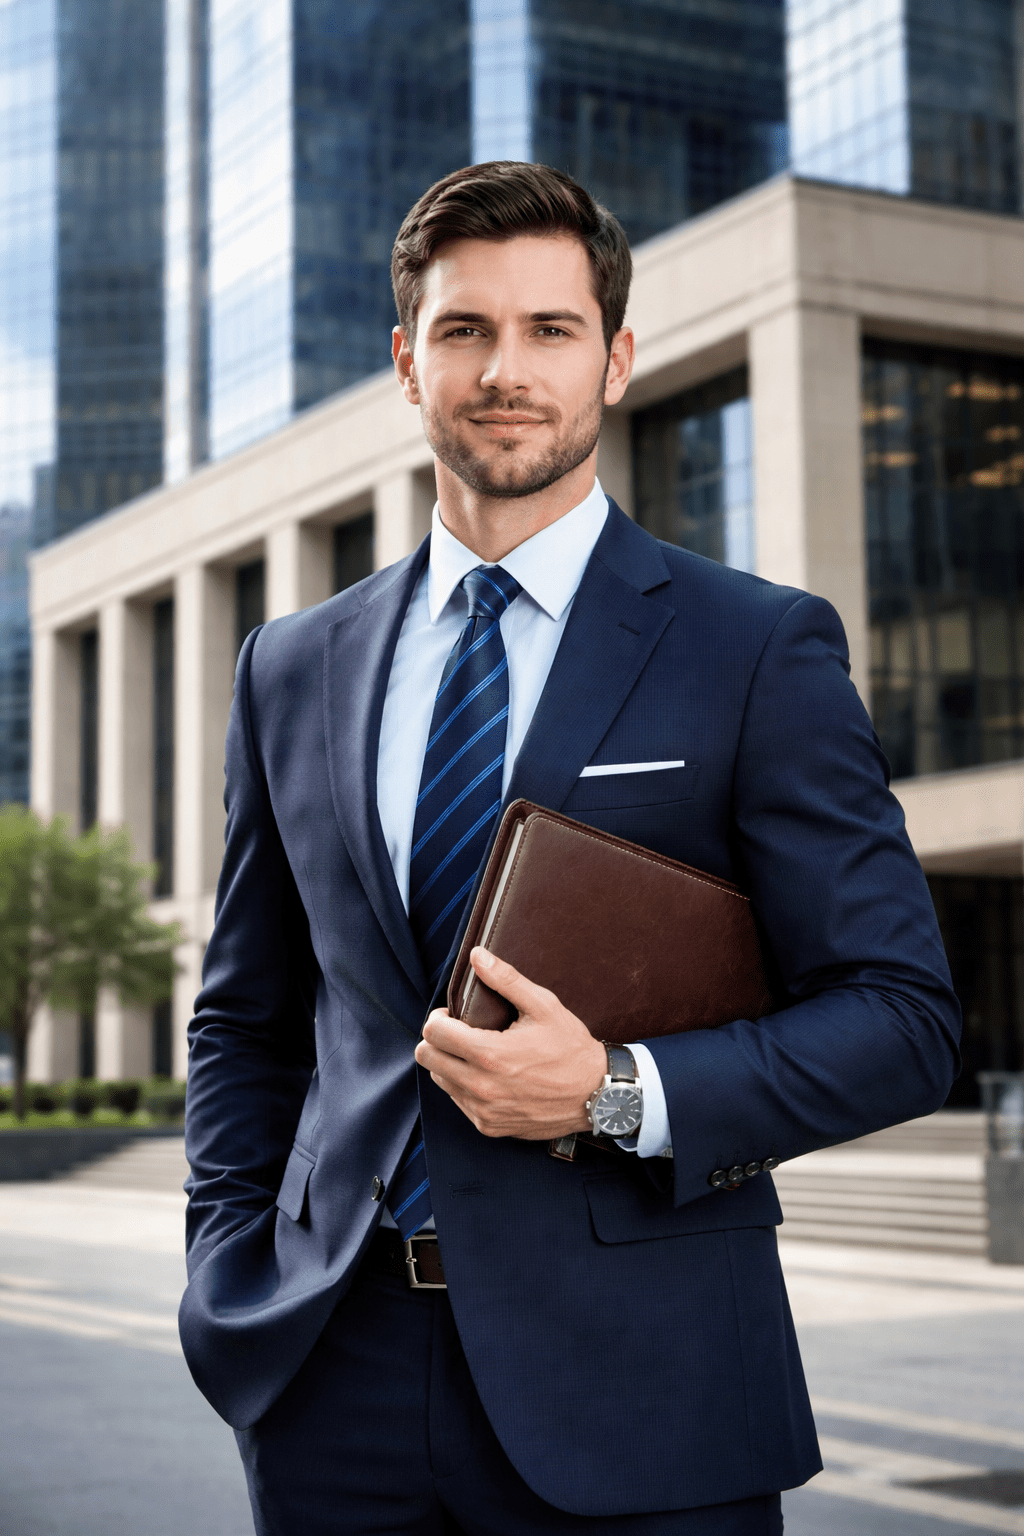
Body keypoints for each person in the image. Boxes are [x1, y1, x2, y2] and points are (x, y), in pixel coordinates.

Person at [180, 161, 961, 1535]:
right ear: (407, 364)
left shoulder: (754, 647)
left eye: (551, 328)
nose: (506, 370)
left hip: (646, 1388)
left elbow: (903, 1021)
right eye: (465, 330)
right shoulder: (289, 666)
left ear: (616, 359)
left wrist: (611, 1091)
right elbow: (248, 1020)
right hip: (331, 1379)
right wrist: (227, 1266)